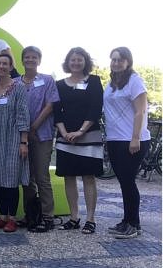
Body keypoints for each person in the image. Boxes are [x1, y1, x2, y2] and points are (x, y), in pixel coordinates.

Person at [53, 47, 103, 234]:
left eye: (79, 59)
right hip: (66, 138)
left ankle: (90, 219)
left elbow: (95, 108)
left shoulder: (95, 81)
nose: (75, 63)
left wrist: (81, 131)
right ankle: (74, 217)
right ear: (68, 62)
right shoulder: (59, 84)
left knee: (88, 177)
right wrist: (65, 133)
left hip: (88, 135)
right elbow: (57, 111)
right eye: (72, 60)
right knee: (69, 177)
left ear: (85, 61)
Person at [104, 47, 151, 239]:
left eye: (120, 60)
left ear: (128, 62)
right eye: (113, 59)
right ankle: (127, 220)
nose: (116, 63)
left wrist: (135, 138)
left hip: (131, 140)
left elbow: (140, 112)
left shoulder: (135, 81)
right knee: (124, 182)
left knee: (128, 182)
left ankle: (134, 223)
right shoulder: (112, 83)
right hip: (115, 139)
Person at [0, 54, 30, 233]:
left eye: (5, 63)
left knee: (10, 179)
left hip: (12, 139)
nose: (2, 66)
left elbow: (23, 114)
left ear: (11, 67)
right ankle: (2, 217)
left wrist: (23, 141)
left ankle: (12, 218)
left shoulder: (18, 88)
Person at [16, 46, 59, 232]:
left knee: (42, 177)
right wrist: (24, 130)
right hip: (21, 137)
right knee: (27, 178)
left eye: (34, 57)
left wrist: (34, 126)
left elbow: (50, 105)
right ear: (23, 60)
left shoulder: (47, 80)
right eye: (27, 57)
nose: (30, 60)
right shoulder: (16, 82)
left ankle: (48, 216)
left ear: (39, 61)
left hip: (42, 135)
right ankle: (31, 215)